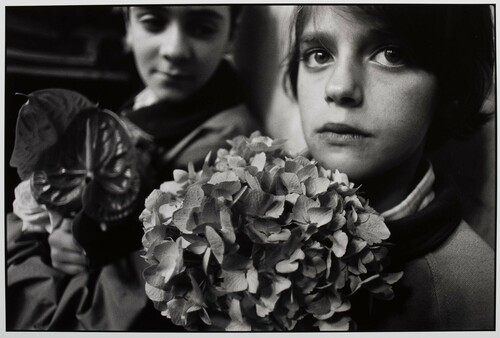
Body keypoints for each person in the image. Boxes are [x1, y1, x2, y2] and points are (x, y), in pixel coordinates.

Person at [6, 5, 258, 330]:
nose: (174, 51)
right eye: (153, 23)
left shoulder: (222, 152)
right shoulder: (152, 99)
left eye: (202, 28)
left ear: (231, 36)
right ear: (128, 25)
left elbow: (109, 306)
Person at [284, 5, 494, 330]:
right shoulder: (245, 213)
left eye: (391, 54)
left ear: (450, 90)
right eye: (319, 55)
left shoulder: (479, 294)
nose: (338, 88)